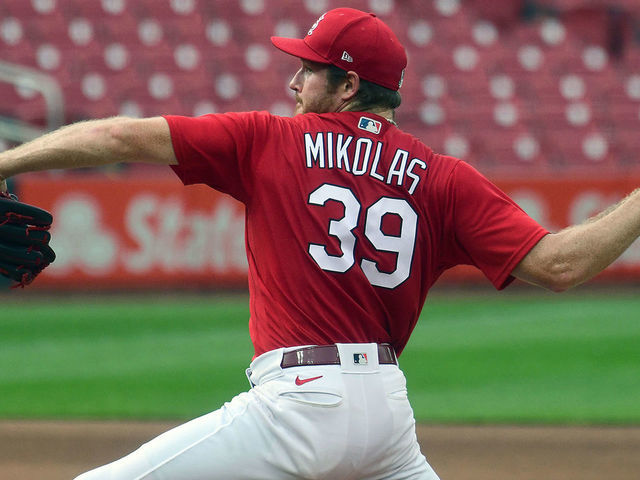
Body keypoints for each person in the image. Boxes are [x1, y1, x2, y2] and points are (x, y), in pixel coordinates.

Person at [1, 7, 639, 480]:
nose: (294, 84)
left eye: (307, 70)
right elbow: (562, 265)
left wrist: (6, 163)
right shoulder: (444, 178)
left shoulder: (270, 139)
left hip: (298, 406)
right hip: (388, 419)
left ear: (348, 86)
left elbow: (116, 139)